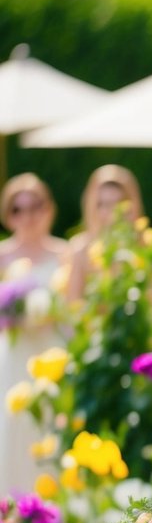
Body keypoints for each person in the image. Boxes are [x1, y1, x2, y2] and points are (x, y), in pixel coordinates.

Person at [0, 173, 67, 496]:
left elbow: (75, 307)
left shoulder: (64, 255)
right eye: (18, 208)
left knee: (50, 428)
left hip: (52, 353)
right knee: (12, 430)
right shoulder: (2, 256)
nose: (27, 216)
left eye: (35, 206)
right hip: (12, 358)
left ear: (48, 209)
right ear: (9, 213)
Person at [66, 164, 144, 303]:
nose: (112, 212)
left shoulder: (143, 246)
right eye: (103, 204)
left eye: (118, 203)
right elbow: (73, 303)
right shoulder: (81, 249)